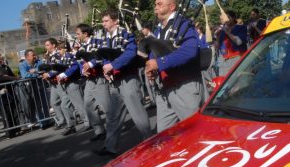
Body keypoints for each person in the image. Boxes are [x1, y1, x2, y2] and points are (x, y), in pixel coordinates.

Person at [93, 10, 152, 156]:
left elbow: (130, 53)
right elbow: (105, 56)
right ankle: (110, 146)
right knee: (113, 116)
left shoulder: (126, 34)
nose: (104, 24)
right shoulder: (106, 38)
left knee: (137, 112)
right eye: (103, 21)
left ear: (115, 21)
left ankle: (150, 141)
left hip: (128, 78)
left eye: (106, 21)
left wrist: (113, 65)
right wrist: (106, 69)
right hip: (116, 80)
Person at [145, 0, 203, 132]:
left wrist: (159, 63)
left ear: (172, 7)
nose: (155, 7)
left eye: (159, 4)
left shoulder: (184, 24)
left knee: (193, 132)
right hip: (165, 87)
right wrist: (151, 66)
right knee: (164, 135)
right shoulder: (158, 29)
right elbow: (156, 51)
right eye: (155, 4)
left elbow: (189, 51)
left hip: (184, 86)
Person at [75, 23, 107, 141]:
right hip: (89, 79)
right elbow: (80, 63)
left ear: (85, 33)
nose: (77, 36)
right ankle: (99, 130)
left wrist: (91, 63)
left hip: (99, 76)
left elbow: (101, 57)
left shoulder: (98, 42)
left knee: (105, 105)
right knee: (88, 105)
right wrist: (83, 71)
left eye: (78, 34)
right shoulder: (82, 47)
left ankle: (114, 127)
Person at [56, 41, 91, 135]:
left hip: (73, 82)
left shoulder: (70, 56)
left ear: (65, 48)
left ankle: (88, 122)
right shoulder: (62, 58)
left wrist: (64, 74)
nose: (58, 51)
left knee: (79, 104)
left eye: (60, 49)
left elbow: (74, 67)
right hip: (66, 83)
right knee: (64, 105)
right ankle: (71, 125)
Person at [42, 38, 76, 136]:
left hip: (59, 81)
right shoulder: (48, 56)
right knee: (54, 102)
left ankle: (70, 123)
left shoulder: (58, 55)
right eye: (45, 45)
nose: (46, 47)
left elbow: (59, 68)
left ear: (53, 45)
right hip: (53, 83)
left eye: (47, 45)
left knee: (65, 103)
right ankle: (62, 120)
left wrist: (48, 74)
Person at [19, 49, 51, 129]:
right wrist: (37, 75)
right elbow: (24, 75)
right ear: (27, 57)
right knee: (37, 106)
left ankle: (48, 120)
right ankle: (42, 123)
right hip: (31, 88)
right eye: (33, 55)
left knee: (45, 103)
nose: (35, 56)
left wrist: (35, 71)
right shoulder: (22, 65)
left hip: (41, 86)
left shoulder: (39, 62)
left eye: (34, 55)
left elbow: (44, 70)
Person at [0, 50, 20, 137]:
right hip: (1, 95)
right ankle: (9, 132)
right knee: (6, 113)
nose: (0, 56)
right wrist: (7, 78)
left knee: (14, 110)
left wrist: (10, 77)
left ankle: (17, 129)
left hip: (10, 92)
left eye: (0, 55)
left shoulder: (5, 67)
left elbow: (12, 76)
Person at [216, 10, 247, 76]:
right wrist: (217, 36)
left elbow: (239, 42)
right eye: (225, 18)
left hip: (238, 58)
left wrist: (227, 32)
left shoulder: (241, 27)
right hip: (226, 61)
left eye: (228, 17)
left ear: (234, 18)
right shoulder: (222, 32)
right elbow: (218, 46)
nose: (226, 20)